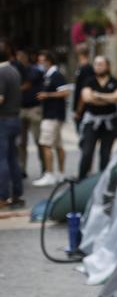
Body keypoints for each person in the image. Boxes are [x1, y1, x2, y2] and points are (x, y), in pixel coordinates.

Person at [78, 56, 117, 179]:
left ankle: (103, 180)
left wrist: (97, 95)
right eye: (96, 64)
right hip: (92, 121)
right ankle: (81, 178)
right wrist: (108, 98)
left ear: (107, 66)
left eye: (101, 64)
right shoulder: (89, 81)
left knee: (105, 153)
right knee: (87, 151)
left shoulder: (114, 81)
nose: (98, 66)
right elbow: (87, 98)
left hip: (109, 122)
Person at [33, 51, 70, 187]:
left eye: (42, 60)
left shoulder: (56, 75)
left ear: (49, 61)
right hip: (52, 114)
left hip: (52, 115)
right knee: (58, 144)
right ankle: (60, 173)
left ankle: (50, 173)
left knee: (45, 144)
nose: (40, 63)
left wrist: (47, 95)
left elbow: (65, 92)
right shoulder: (47, 75)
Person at [0, 46, 24, 208]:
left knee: (1, 159)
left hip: (3, 120)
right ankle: (16, 193)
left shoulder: (1, 72)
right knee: (12, 158)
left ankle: (2, 196)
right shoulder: (14, 70)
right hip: (14, 118)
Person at [15, 49, 44, 178]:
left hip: (34, 109)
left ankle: (44, 168)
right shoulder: (15, 70)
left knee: (39, 139)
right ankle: (21, 168)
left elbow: (27, 84)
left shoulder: (34, 70)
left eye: (22, 57)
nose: (20, 59)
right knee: (21, 142)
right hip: (21, 109)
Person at [72, 44, 95, 131]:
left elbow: (84, 90)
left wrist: (79, 110)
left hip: (84, 110)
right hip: (81, 109)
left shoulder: (86, 69)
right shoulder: (81, 68)